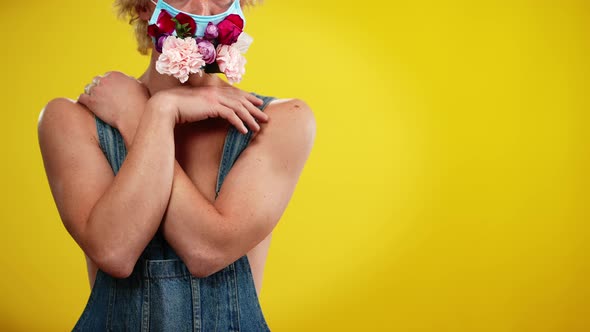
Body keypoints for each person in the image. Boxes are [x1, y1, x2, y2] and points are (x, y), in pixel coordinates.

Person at [37, 0, 316, 330]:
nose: (202, 6)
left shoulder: (280, 122)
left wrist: (144, 114)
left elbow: (207, 250)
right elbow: (114, 251)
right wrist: (161, 113)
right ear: (143, 7)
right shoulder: (70, 121)